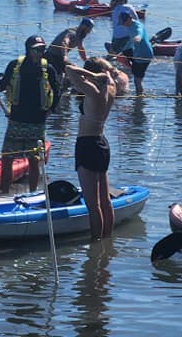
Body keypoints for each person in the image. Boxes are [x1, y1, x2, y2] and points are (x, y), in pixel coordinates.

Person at [0, 35, 61, 193]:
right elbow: (1, 87)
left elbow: (58, 90)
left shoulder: (48, 69)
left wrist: (51, 110)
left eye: (42, 49)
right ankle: (5, 193)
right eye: (36, 49)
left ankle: (32, 193)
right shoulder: (14, 65)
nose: (39, 53)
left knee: (34, 160)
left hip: (37, 121)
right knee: (7, 158)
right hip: (16, 119)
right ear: (28, 49)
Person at [65, 57, 117, 239]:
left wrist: (92, 74)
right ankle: (107, 242)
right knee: (105, 201)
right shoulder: (112, 88)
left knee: (92, 204)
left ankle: (96, 244)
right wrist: (102, 74)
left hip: (87, 145)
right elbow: (109, 75)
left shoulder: (93, 91)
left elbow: (69, 69)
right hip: (102, 144)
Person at [46, 18, 95, 90]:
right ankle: (60, 89)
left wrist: (86, 60)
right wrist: (65, 56)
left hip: (60, 57)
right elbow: (64, 42)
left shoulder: (80, 35)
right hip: (52, 56)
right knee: (70, 70)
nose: (89, 32)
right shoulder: (72, 32)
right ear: (83, 26)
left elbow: (81, 48)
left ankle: (65, 89)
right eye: (89, 29)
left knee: (70, 72)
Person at [113, 11, 153, 95]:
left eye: (124, 22)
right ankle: (133, 68)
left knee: (137, 81)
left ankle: (139, 97)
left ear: (130, 19)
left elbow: (139, 32)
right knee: (120, 57)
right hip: (136, 52)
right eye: (122, 23)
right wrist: (123, 51)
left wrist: (138, 37)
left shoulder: (137, 26)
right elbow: (131, 41)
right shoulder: (129, 26)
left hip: (144, 55)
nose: (123, 25)